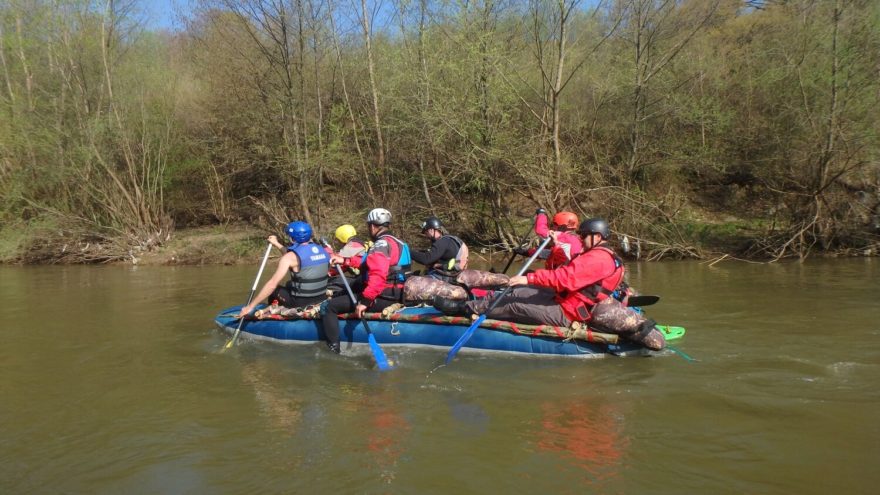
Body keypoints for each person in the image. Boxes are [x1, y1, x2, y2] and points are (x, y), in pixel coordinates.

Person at [434, 218, 665, 350]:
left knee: (516, 304)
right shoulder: (602, 254)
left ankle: (466, 309)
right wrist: (552, 249)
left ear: (596, 236)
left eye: (584, 235)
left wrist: (529, 277)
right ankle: (473, 306)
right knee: (519, 290)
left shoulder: (598, 257)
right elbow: (566, 269)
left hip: (571, 312)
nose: (580, 239)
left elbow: (564, 277)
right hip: (568, 300)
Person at [320, 208, 412, 353]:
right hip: (397, 292)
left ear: (373, 226)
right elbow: (367, 263)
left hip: (383, 296)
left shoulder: (380, 245)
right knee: (346, 290)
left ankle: (333, 349)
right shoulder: (398, 242)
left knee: (328, 307)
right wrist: (344, 260)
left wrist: (365, 302)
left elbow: (378, 275)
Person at [237, 221, 330, 317]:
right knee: (289, 284)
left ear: (293, 238)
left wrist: (250, 306)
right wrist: (276, 243)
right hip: (321, 298)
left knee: (275, 289)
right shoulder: (322, 250)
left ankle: (272, 314)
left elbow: (272, 285)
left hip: (300, 303)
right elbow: (299, 257)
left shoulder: (289, 258)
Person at [515, 208, 583, 269]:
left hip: (562, 276)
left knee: (526, 274)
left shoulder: (562, 236)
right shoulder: (576, 240)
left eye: (555, 224)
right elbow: (548, 254)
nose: (553, 227)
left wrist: (541, 214)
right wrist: (526, 252)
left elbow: (540, 229)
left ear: (563, 226)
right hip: (565, 273)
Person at [409, 216, 469, 283]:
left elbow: (426, 259)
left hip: (447, 278)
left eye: (426, 232)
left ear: (431, 230)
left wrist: (408, 252)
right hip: (455, 275)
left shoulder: (442, 242)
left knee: (412, 282)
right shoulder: (450, 240)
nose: (426, 235)